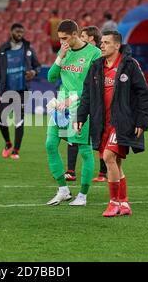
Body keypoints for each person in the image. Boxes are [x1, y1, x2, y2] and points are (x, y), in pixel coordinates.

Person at [75, 30, 148, 217]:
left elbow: (144, 94)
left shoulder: (129, 65)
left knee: (109, 157)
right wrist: (80, 116)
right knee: (116, 163)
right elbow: (87, 94)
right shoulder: (96, 67)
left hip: (122, 122)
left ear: (117, 45)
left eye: (106, 42)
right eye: (101, 42)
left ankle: (113, 203)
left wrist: (142, 120)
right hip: (102, 123)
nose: (102, 45)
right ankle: (124, 203)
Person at [45, 19, 101, 207]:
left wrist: (74, 99)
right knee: (50, 145)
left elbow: (95, 85)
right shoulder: (64, 52)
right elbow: (51, 77)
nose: (62, 42)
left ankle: (83, 196)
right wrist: (60, 57)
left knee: (84, 151)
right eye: (60, 39)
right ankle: (63, 190)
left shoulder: (94, 54)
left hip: (81, 107)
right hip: (60, 107)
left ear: (75, 35)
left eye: (65, 38)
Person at [0, 23, 41, 159]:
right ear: (11, 32)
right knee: (1, 120)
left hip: (22, 89)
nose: (20, 34)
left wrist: (33, 72)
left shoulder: (28, 49)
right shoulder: (3, 49)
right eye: (17, 31)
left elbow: (38, 66)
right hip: (5, 89)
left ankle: (16, 150)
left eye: (22, 32)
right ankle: (8, 143)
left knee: (18, 119)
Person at [63, 25, 104, 182]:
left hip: (96, 102)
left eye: (84, 36)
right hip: (81, 100)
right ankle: (71, 170)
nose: (81, 39)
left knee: (98, 137)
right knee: (75, 131)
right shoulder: (77, 55)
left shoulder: (97, 55)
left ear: (91, 38)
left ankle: (102, 172)